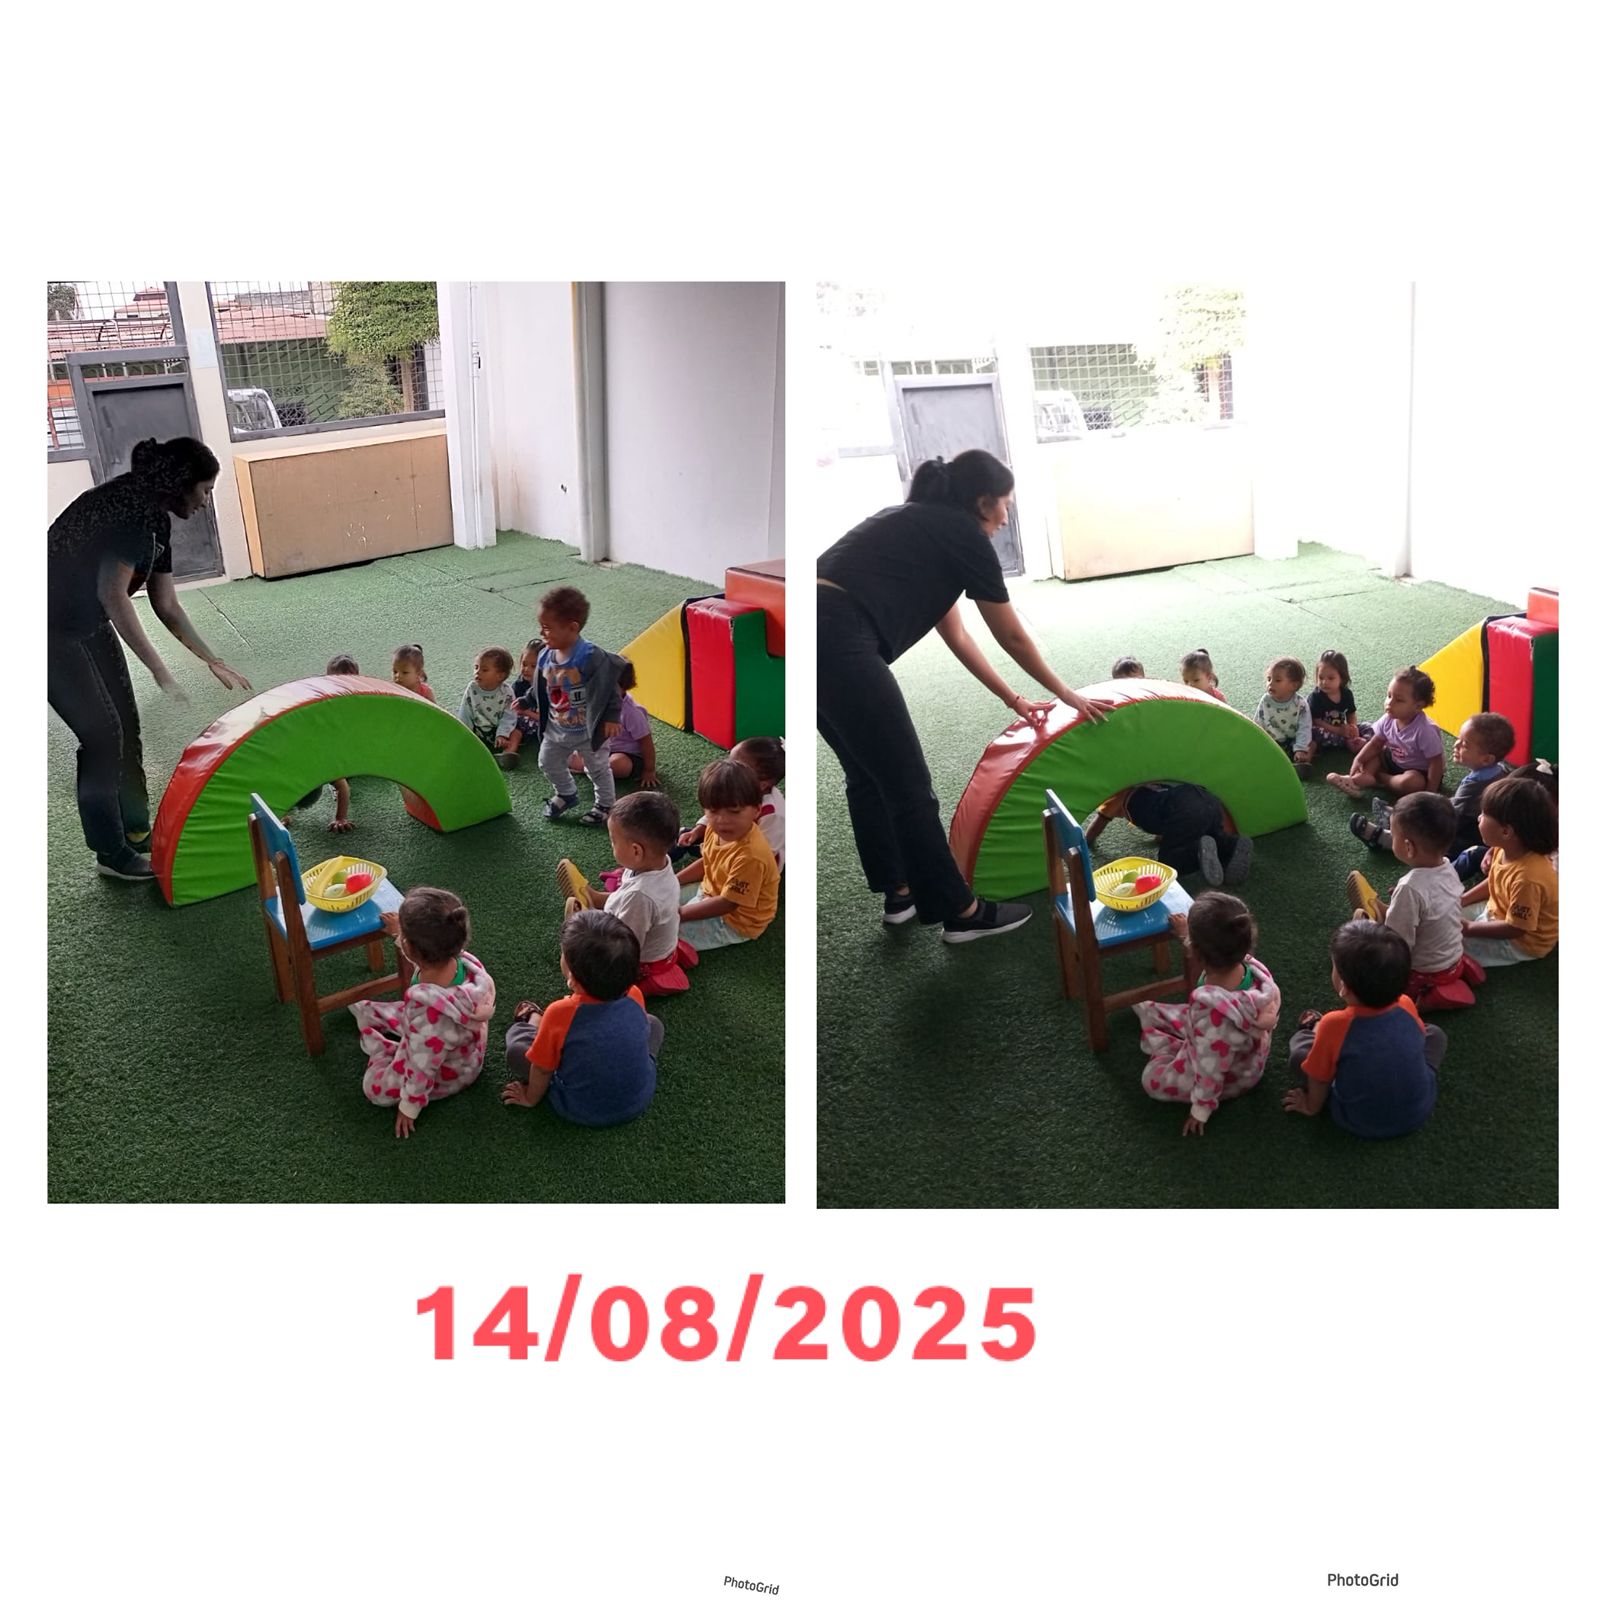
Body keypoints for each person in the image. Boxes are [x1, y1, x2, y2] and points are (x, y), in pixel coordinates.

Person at [817, 449, 1113, 941]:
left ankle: (901, 891)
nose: (1006, 518)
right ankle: (961, 912)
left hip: (807, 635)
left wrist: (1014, 699)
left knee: (868, 774)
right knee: (909, 786)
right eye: (1005, 505)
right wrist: (1066, 693)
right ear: (982, 502)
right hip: (839, 639)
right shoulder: (963, 535)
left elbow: (957, 635)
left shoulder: (919, 527)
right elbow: (1011, 634)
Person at [47, 435, 253, 880]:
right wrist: (160, 670)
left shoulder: (158, 520)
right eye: (204, 490)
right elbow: (114, 596)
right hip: (46, 630)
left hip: (86, 622)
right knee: (102, 737)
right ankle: (111, 855)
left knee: (126, 723)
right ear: (182, 483)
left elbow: (166, 603)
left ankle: (135, 828)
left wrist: (211, 659)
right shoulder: (131, 512)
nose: (205, 501)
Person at [1132, 892, 1281, 1136]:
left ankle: (1163, 1047)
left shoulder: (1214, 1020)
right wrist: (1187, 935)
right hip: (1242, 1052)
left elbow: (1211, 1070)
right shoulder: (1249, 967)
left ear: (1197, 952)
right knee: (1187, 1016)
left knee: (1151, 1080)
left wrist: (1200, 1109)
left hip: (1234, 1076)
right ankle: (1155, 1019)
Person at [351, 887, 496, 1140]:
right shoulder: (458, 959)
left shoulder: (430, 1017)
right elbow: (422, 959)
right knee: (407, 1016)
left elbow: (423, 1068)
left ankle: (380, 1048)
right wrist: (399, 934)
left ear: (411, 946)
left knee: (374, 1089)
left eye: (404, 934)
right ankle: (371, 1017)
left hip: (451, 1071)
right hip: (458, 1043)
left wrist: (409, 1106)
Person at [1282, 921, 1446, 1138]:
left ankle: (1312, 1028)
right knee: (1435, 1034)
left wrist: (1312, 1106)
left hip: (1357, 1119)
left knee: (1300, 1053)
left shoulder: (1334, 1024)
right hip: (1418, 1109)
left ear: (1344, 987)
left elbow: (1319, 1078)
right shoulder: (1406, 1003)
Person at [501, 911, 663, 1128]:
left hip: (580, 1107)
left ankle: (533, 1020)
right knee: (653, 1024)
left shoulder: (559, 1013)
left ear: (572, 979)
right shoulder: (635, 993)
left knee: (516, 1046)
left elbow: (542, 1069)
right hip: (638, 1098)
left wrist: (530, 1097)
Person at [1344, 792, 1484, 1011]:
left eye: (1393, 836)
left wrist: (1374, 934)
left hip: (1425, 973)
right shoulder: (1447, 867)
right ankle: (1386, 910)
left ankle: (1427, 996)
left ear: (1408, 847)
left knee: (1367, 949)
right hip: (1453, 961)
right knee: (1408, 913)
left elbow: (1398, 945)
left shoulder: (1410, 888)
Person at [557, 790, 689, 995]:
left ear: (636, 851)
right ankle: (594, 899)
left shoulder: (640, 897)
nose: (611, 844)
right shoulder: (659, 863)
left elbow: (621, 947)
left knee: (571, 958)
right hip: (643, 926)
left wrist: (585, 932)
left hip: (638, 960)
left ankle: (588, 914)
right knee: (620, 897)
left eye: (613, 841)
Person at [1352, 710, 1514, 855]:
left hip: (1471, 835)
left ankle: (1386, 839)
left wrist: (1423, 813)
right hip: (1478, 826)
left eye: (1465, 744)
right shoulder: (1500, 769)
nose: (1456, 744)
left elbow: (1452, 817)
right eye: (1459, 738)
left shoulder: (1473, 786)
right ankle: (1397, 818)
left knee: (1433, 834)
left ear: (1487, 759)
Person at [533, 585, 626, 824]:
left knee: (597, 768)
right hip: (557, 727)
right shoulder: (545, 655)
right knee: (547, 761)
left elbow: (610, 686)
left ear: (572, 627)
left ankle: (605, 805)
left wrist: (612, 717)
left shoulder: (589, 656)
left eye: (547, 627)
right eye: (541, 626)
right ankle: (566, 793)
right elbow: (542, 686)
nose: (542, 633)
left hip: (588, 730)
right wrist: (528, 699)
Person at [676, 758, 780, 952]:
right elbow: (707, 861)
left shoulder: (751, 856)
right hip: (710, 890)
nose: (722, 820)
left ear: (757, 810)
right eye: (713, 811)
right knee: (660, 898)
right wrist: (673, 881)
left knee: (661, 931)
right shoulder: (714, 829)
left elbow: (728, 903)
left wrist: (679, 914)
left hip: (736, 921)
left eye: (734, 811)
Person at [1461, 777, 1558, 967]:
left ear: (1506, 832)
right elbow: (1494, 881)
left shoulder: (1528, 879)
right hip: (1497, 910)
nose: (1479, 818)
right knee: (1445, 915)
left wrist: (1470, 928)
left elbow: (1516, 928)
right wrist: (1462, 900)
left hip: (1521, 942)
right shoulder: (1505, 848)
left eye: (1484, 814)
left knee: (1447, 944)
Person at [1326, 666, 1445, 799]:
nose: (1389, 703)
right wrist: (1359, 759)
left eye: (1399, 700)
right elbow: (1376, 744)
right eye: (1389, 696)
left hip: (1418, 772)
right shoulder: (1388, 719)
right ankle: (1355, 781)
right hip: (1394, 761)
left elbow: (1436, 763)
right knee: (1371, 752)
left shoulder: (1425, 730)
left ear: (1418, 706)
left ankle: (1379, 779)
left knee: (1412, 783)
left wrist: (1430, 792)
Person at [675, 735, 785, 873]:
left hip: (751, 864)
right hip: (730, 841)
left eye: (734, 811)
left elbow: (762, 856)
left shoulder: (773, 814)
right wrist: (697, 831)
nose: (727, 768)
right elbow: (717, 809)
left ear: (762, 784)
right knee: (683, 835)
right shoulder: (733, 787)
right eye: (729, 760)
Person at [286, 654, 360, 832]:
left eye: (349, 682)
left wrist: (340, 818)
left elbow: (343, 787)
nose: (344, 687)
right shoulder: (323, 700)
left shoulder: (359, 699)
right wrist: (283, 814)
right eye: (338, 682)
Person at [568, 658, 658, 787]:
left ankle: (590, 770)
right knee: (568, 755)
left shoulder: (632, 712)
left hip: (626, 755)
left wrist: (649, 770)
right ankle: (592, 769)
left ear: (624, 687)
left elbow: (646, 742)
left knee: (619, 765)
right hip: (602, 749)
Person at [1254, 656, 1313, 773]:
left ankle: (1300, 764)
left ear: (1294, 685)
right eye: (1269, 679)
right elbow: (1258, 722)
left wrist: (1300, 748)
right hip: (1273, 741)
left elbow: (1304, 727)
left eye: (1277, 680)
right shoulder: (1265, 700)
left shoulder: (1300, 704)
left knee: (1309, 745)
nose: (1270, 684)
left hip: (1293, 741)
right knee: (1264, 752)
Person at [1308, 649, 1368, 752]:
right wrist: (1338, 731)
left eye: (1331, 678)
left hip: (1341, 728)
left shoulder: (1347, 694)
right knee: (1314, 732)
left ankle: (1355, 741)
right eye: (1321, 677)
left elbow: (1351, 713)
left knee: (1369, 726)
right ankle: (1347, 743)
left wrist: (1353, 728)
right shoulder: (1316, 697)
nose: (1324, 682)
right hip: (1324, 729)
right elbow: (1316, 721)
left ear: (1342, 678)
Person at [495, 639, 542, 770]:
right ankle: (509, 753)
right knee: (515, 730)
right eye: (524, 664)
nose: (526, 669)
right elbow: (512, 708)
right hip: (525, 723)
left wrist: (526, 712)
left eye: (533, 666)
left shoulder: (548, 687)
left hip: (544, 722)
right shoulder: (519, 684)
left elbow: (549, 717)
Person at [457, 646, 515, 751]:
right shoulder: (472, 688)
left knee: (516, 733)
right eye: (476, 667)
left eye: (484, 670)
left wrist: (502, 734)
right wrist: (465, 732)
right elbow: (465, 711)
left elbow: (509, 716)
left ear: (500, 676)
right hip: (478, 730)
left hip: (498, 731)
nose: (477, 672)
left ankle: (506, 754)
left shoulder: (506, 692)